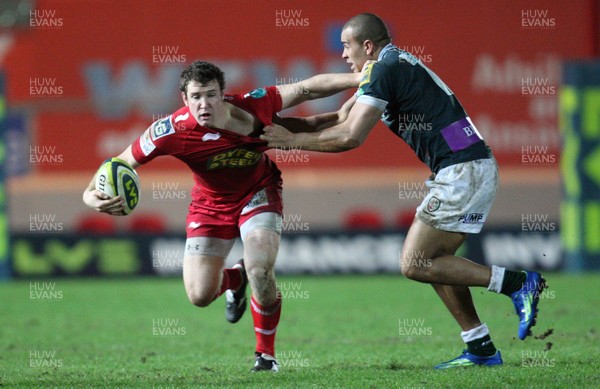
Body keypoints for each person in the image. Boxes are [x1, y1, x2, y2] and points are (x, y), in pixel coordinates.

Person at [261, 13, 547, 369]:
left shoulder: (384, 69)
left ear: (367, 45)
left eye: (347, 47)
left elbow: (351, 137)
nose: (344, 56)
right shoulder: (387, 67)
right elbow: (335, 120)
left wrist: (291, 144)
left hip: (463, 170)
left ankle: (518, 283)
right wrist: (263, 127)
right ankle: (481, 348)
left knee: (415, 263)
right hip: (463, 168)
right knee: (434, 263)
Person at [83, 61, 360, 372]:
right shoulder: (170, 131)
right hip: (210, 206)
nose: (204, 104)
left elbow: (305, 88)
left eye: (211, 95)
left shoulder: (255, 105)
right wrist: (89, 195)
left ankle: (265, 356)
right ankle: (235, 278)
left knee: (260, 270)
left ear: (223, 94)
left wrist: (359, 77)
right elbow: (119, 162)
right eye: (197, 96)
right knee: (200, 295)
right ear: (184, 99)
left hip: (258, 191)